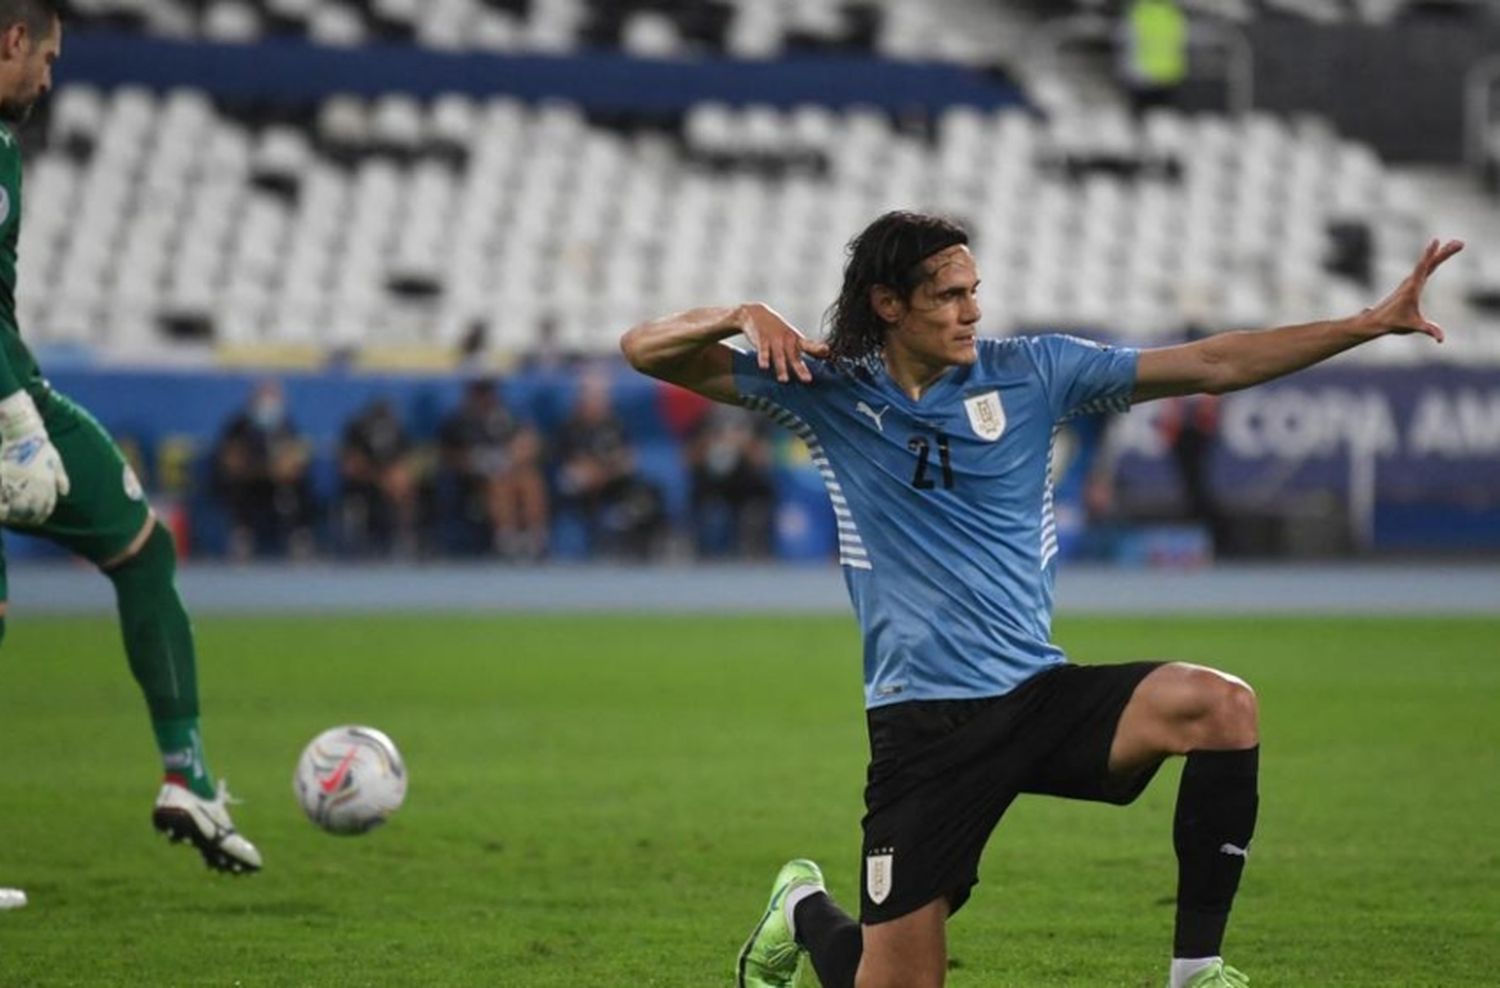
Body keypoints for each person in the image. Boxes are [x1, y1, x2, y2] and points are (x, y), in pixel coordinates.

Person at [620, 210, 1462, 988]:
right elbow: (643, 349)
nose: (971, 311)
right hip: (923, 730)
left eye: (973, 291)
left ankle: (1197, 971)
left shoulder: (1038, 372)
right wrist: (739, 312)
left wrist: (1362, 326)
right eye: (948, 296)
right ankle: (802, 909)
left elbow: (1213, 363)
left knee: (1221, 706)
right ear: (888, 303)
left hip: (1037, 696)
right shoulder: (823, 388)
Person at [0, 0, 260, 887]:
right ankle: (185, 772)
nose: (49, 77)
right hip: (8, 394)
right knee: (142, 555)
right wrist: (15, 416)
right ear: (12, 42)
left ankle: (188, 778)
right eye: (48, 57)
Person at [554, 369, 666, 560]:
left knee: (649, 493)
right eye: (593, 399)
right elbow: (571, 464)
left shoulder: (615, 424)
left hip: (612, 481)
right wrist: (602, 468)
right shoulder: (570, 427)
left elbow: (629, 459)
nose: (599, 403)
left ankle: (642, 545)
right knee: (577, 481)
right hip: (581, 485)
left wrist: (606, 469)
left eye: (601, 398)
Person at [436, 378, 547, 559]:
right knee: (498, 481)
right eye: (481, 393)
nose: (486, 398)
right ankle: (506, 540)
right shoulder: (458, 420)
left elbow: (530, 442)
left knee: (529, 478)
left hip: (509, 469)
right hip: (472, 477)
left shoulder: (507, 415)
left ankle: (535, 538)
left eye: (489, 392)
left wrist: (510, 457)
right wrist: (474, 461)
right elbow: (446, 456)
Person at [211, 379, 318, 560]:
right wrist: (265, 469)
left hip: (276, 484)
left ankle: (299, 537)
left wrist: (288, 468)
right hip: (249, 481)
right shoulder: (239, 426)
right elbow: (231, 462)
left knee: (299, 488)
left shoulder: (286, 426)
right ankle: (241, 536)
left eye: (273, 398)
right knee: (238, 488)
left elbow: (295, 458)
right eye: (265, 398)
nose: (268, 404)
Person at [337, 397, 421, 557]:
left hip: (390, 483)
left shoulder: (398, 432)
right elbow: (349, 465)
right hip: (363, 482)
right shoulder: (356, 431)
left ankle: (404, 538)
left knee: (404, 484)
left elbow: (406, 460)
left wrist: (394, 476)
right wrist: (377, 476)